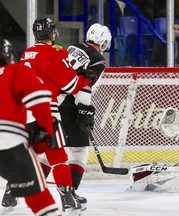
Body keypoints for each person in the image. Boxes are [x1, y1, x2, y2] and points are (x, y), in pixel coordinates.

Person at [1, 17, 96, 213]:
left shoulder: (27, 53)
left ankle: (10, 196)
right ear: (52, 34)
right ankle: (68, 199)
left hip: (21, 111)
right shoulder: (55, 51)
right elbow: (69, 85)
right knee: (57, 155)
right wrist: (83, 79)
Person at [0, 47, 61, 215]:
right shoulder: (17, 70)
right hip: (10, 142)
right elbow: (40, 101)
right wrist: (45, 133)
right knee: (39, 200)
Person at [56, 23, 111, 210]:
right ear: (103, 41)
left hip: (51, 100)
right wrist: (85, 109)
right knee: (79, 151)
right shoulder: (98, 60)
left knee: (48, 151)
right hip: (69, 103)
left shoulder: (73, 47)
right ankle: (70, 195)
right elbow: (84, 88)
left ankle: (11, 192)